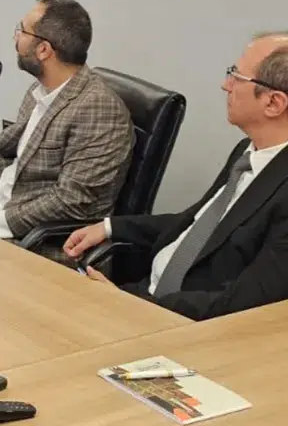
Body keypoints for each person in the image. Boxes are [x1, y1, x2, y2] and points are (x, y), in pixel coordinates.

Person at [64, 33, 288, 320]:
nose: (225, 85)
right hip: (144, 294)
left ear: (273, 103)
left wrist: (132, 305)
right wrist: (110, 227)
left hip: (183, 322)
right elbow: (195, 223)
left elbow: (246, 303)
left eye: (236, 76)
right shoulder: (247, 151)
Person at [0, 0, 133, 262]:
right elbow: (12, 166)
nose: (15, 38)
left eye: (22, 30)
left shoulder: (99, 109)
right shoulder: (39, 91)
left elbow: (70, 200)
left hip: (41, 246)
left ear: (44, 50)